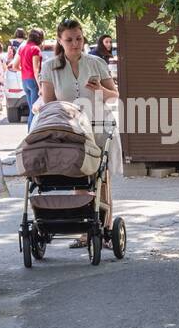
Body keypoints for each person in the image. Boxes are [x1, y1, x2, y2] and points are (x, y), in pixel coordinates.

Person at [39, 17, 121, 246]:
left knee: (101, 179)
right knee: (78, 177)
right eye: (69, 39)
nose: (75, 43)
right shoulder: (50, 67)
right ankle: (84, 230)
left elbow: (114, 96)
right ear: (60, 40)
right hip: (69, 128)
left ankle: (104, 229)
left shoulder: (95, 63)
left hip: (98, 125)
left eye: (79, 38)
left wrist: (100, 90)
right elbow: (49, 103)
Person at [19, 28, 43, 129]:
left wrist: (24, 69)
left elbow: (15, 66)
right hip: (33, 81)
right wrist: (40, 87)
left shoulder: (23, 48)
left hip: (24, 81)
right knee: (35, 111)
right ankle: (31, 136)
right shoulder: (35, 49)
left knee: (31, 110)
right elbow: (36, 69)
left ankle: (29, 135)